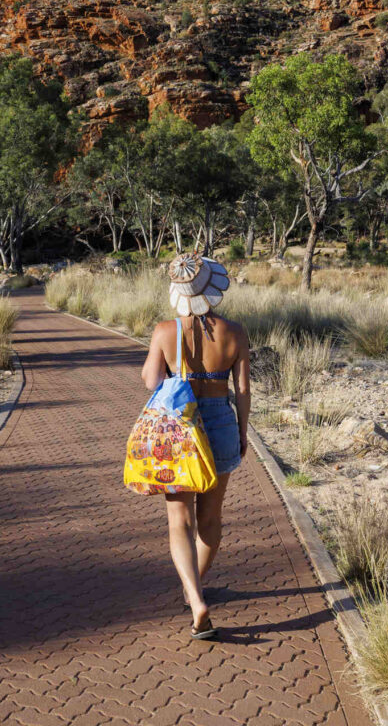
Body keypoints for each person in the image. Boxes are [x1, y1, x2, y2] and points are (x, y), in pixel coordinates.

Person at [141, 252, 251, 640]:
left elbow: (152, 380)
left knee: (179, 522)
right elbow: (242, 390)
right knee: (210, 518)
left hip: (180, 429)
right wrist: (242, 432)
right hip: (220, 424)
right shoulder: (235, 332)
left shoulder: (163, 330)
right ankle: (195, 592)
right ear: (210, 287)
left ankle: (195, 595)